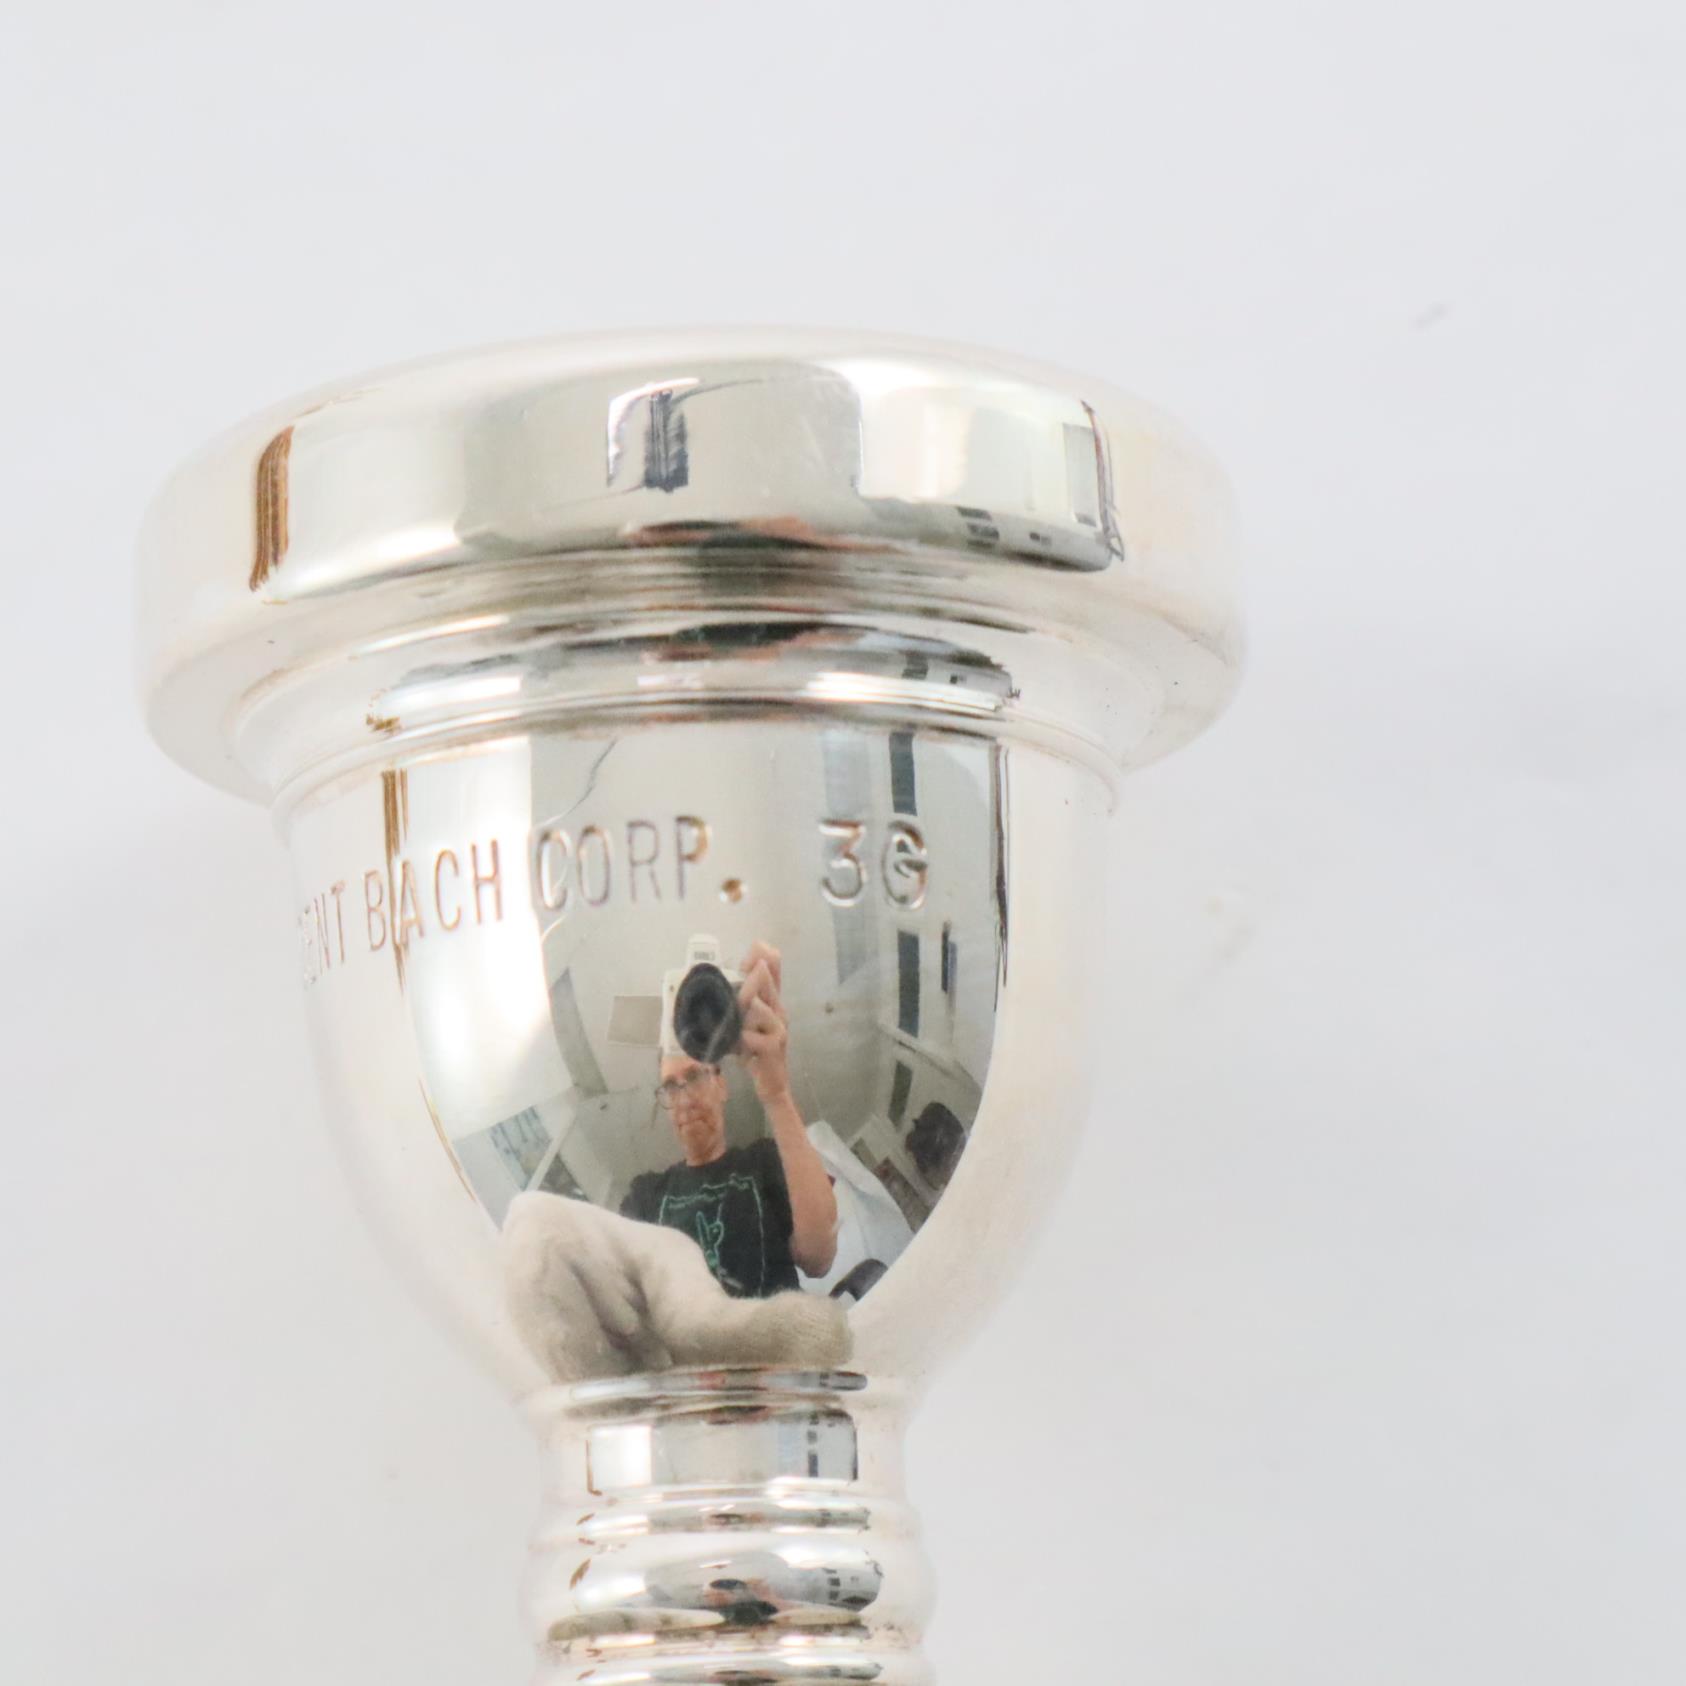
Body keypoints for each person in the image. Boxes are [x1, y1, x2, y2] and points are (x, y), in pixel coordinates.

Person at [621, 941, 838, 1298]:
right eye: (670, 1087)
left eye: (694, 1076)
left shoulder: (764, 1161)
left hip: (776, 1333)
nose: (684, 1099)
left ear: (722, 1085)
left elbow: (819, 1258)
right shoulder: (646, 1193)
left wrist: (778, 1094)